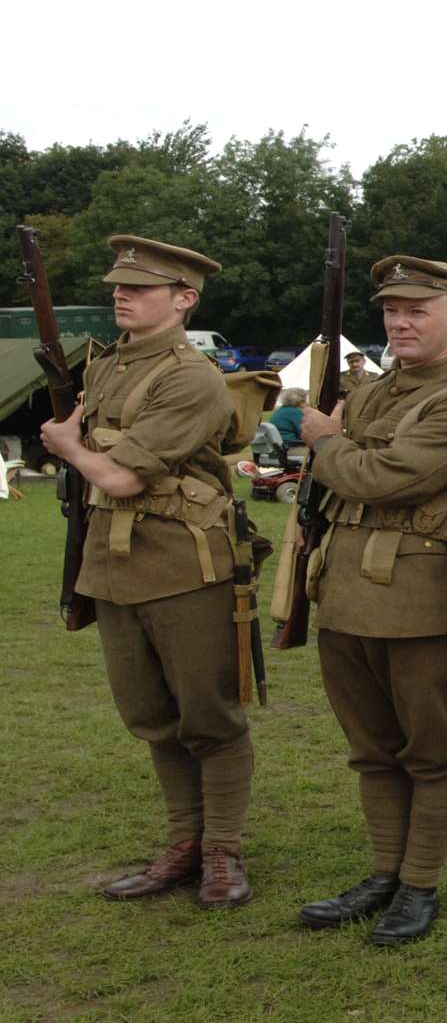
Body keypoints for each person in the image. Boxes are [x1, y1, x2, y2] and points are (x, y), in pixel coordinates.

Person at [39, 234, 257, 908]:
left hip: (184, 567)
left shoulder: (191, 377)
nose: (120, 294)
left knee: (209, 718)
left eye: (138, 287)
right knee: (153, 717)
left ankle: (222, 849)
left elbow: (123, 477)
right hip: (112, 565)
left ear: (184, 299)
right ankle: (183, 842)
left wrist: (70, 447)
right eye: (118, 285)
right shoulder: (108, 367)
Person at [296, 255, 447, 946]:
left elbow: (387, 477)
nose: (400, 322)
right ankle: (384, 873)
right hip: (346, 590)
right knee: (372, 748)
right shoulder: (379, 392)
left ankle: (419, 885)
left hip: (420, 599)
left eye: (418, 309)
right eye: (391, 310)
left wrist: (327, 442)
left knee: (433, 750)